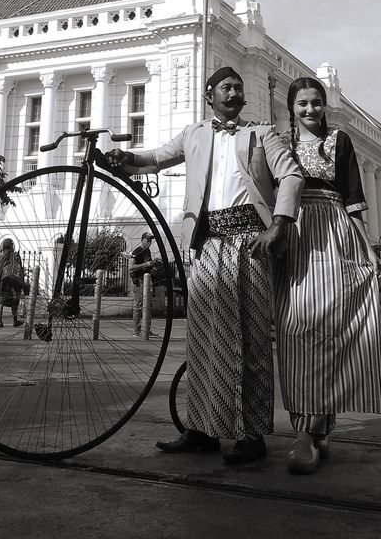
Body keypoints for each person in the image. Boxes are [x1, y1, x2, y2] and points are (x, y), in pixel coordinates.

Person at [106, 65, 303, 465]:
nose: (234, 93)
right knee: (202, 340)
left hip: (250, 245)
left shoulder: (262, 133)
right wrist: (123, 157)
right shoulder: (195, 134)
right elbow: (156, 157)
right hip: (207, 245)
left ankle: (252, 433)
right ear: (209, 94)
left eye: (239, 88)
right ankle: (201, 429)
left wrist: (279, 225)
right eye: (226, 87)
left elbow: (292, 176)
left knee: (251, 340)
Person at [272, 77, 381, 475]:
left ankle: (318, 425)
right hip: (295, 234)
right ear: (291, 106)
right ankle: (304, 429)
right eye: (302, 103)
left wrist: (369, 250)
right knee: (295, 331)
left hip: (336, 235)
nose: (310, 109)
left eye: (316, 102)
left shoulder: (340, 141)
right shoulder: (279, 143)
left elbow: (353, 198)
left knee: (333, 333)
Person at [130, 232, 159, 338]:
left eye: (150, 241)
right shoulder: (137, 251)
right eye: (147, 241)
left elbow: (148, 264)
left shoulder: (148, 251)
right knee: (138, 306)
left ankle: (147, 329)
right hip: (138, 281)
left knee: (148, 306)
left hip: (147, 281)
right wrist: (145, 265)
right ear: (142, 240)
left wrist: (152, 264)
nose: (149, 243)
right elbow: (131, 267)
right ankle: (136, 331)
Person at [0, 239, 25, 328]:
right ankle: (15, 321)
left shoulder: (0, 258)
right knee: (14, 301)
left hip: (2, 283)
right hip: (13, 284)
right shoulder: (15, 256)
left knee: (0, 301)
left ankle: (0, 321)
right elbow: (20, 269)